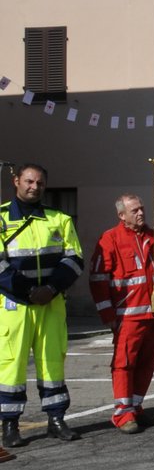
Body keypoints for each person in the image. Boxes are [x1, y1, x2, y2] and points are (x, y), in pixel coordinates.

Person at [0, 163, 83, 448]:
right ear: (16, 182)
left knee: (52, 361)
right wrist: (29, 291)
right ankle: (9, 425)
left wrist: (50, 288)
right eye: (29, 181)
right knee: (11, 366)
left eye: (40, 183)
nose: (35, 187)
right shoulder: (0, 218)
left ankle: (56, 420)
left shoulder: (59, 218)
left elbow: (74, 258)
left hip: (51, 302)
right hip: (14, 305)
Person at [88, 193, 154, 433]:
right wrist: (108, 315)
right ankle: (123, 414)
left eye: (142, 208)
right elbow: (98, 280)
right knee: (124, 364)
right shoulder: (110, 239)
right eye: (135, 210)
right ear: (121, 215)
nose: (141, 213)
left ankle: (136, 407)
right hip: (127, 316)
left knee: (148, 362)